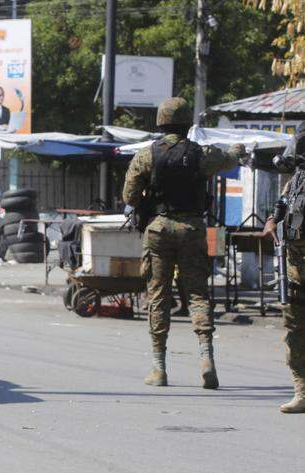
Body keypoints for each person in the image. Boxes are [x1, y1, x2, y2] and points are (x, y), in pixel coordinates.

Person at [122, 96, 243, 389]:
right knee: (198, 294)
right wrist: (237, 149)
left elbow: (129, 196)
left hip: (159, 230)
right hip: (192, 228)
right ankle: (206, 360)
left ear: (161, 122)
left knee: (158, 296)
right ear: (188, 122)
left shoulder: (146, 155)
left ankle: (159, 368)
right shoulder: (200, 154)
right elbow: (228, 158)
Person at [264, 123, 305, 413]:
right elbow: (282, 205)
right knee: (295, 329)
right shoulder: (297, 179)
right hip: (295, 268)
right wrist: (270, 221)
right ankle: (302, 392)